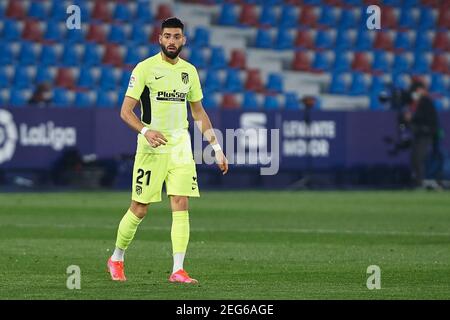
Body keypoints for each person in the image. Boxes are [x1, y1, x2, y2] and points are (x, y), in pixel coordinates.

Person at [107, 17, 228, 284]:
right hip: (151, 145)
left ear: (183, 40)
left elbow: (198, 112)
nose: (172, 41)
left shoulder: (190, 71)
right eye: (167, 36)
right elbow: (125, 111)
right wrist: (145, 131)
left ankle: (178, 269)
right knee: (140, 208)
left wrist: (216, 146)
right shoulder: (145, 68)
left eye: (177, 37)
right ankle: (116, 257)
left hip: (181, 145)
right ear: (159, 39)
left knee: (181, 203)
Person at [405, 81, 438, 188]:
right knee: (414, 158)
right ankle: (418, 182)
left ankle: (420, 183)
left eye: (417, 90)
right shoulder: (420, 102)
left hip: (425, 134)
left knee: (418, 158)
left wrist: (411, 118)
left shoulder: (426, 101)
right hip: (420, 134)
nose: (415, 93)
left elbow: (425, 119)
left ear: (421, 90)